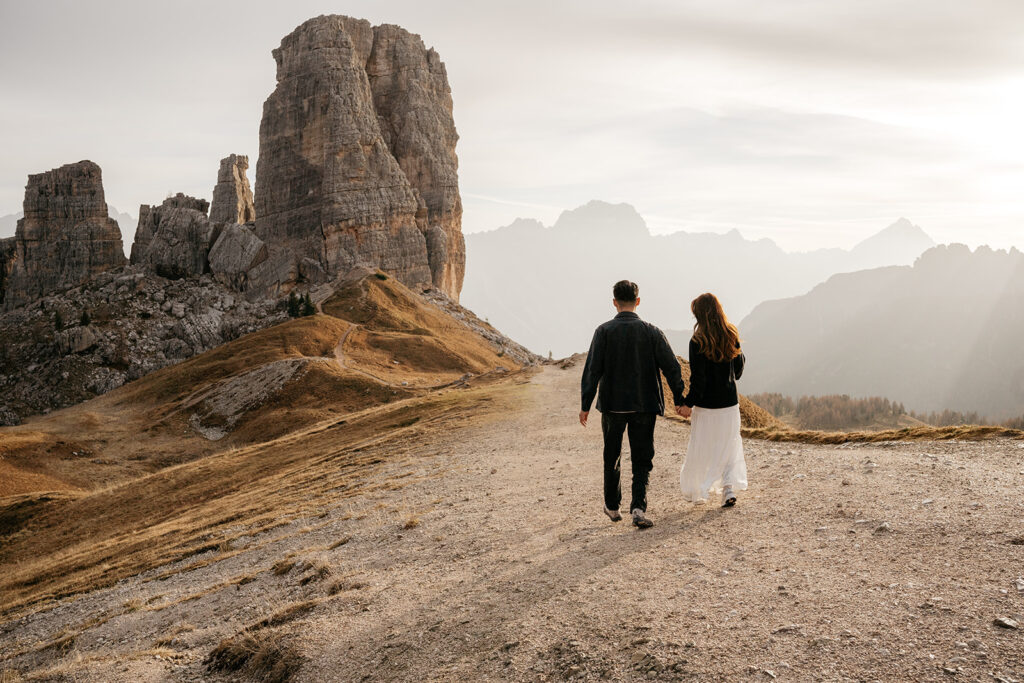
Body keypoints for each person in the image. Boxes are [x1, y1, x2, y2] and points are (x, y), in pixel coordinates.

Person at [580, 280, 686, 528]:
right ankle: (638, 507)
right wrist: (680, 399)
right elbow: (672, 367)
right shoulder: (652, 331)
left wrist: (585, 405)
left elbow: (592, 370)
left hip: (612, 406)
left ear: (614, 302)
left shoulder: (603, 331)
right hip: (644, 405)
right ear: (638, 301)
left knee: (612, 455)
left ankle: (612, 506)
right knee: (642, 457)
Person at [677, 293, 747, 507]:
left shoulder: (697, 341)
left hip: (706, 406)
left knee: (703, 446)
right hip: (729, 404)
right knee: (729, 445)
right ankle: (728, 489)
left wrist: (688, 404)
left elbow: (698, 380)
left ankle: (701, 490)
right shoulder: (731, 334)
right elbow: (738, 372)